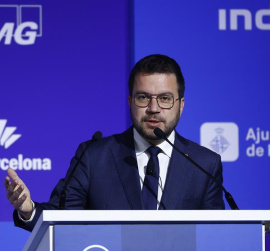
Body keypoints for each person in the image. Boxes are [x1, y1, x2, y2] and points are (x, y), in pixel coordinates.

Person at [4, 54, 225, 232]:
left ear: (181, 105)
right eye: (143, 97)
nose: (154, 108)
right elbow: (60, 217)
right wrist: (28, 210)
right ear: (130, 102)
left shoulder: (204, 164)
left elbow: (217, 237)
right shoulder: (93, 156)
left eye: (165, 98)